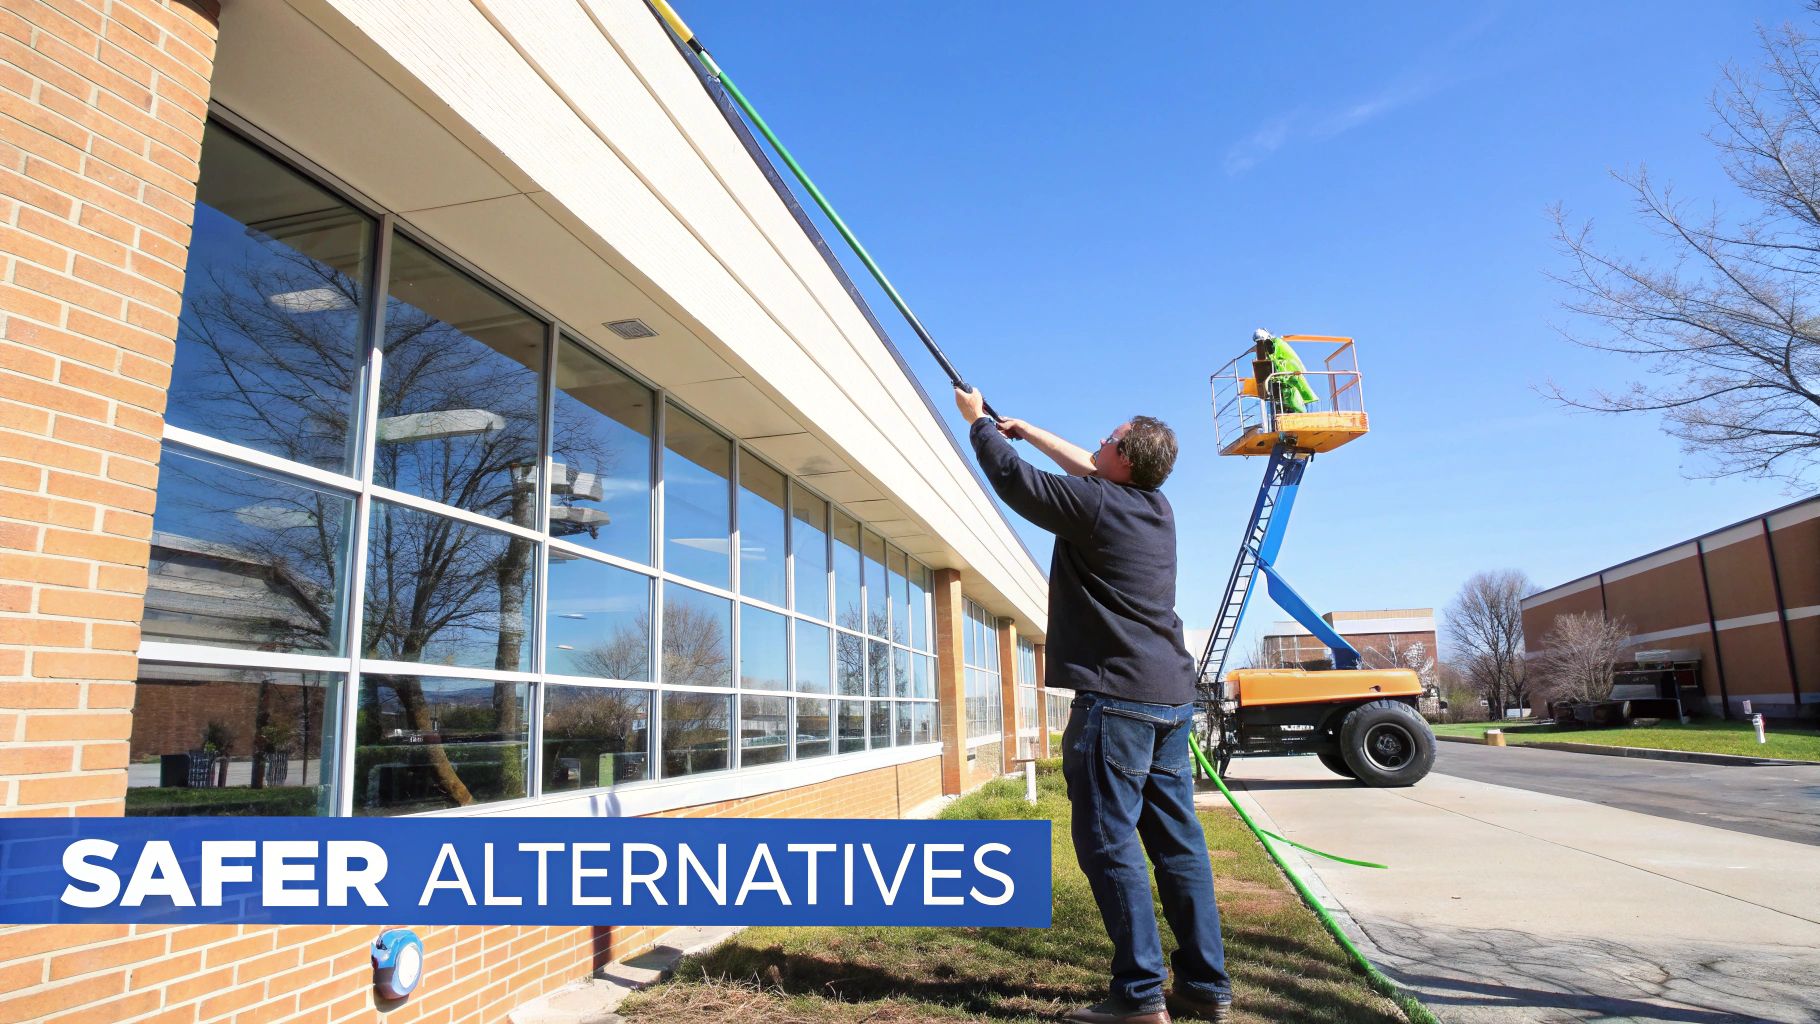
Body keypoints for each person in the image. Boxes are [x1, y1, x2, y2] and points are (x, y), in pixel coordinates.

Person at [953, 386, 1231, 1024]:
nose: (1098, 443)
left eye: (1108, 439)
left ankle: (1137, 999)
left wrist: (981, 427)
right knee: (1178, 845)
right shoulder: (1155, 508)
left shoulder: (1096, 506)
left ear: (1125, 460)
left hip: (1118, 702)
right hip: (1168, 698)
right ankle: (1204, 989)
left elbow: (1015, 482)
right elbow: (1084, 466)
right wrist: (1027, 427)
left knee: (1109, 845)